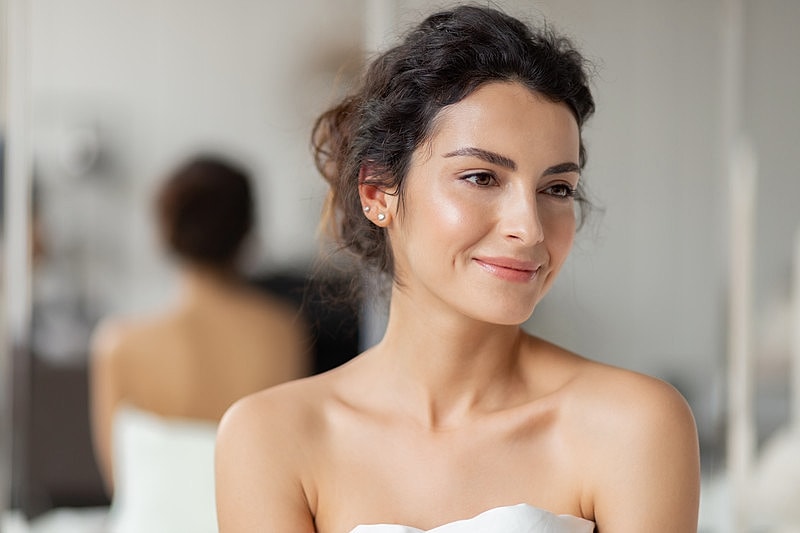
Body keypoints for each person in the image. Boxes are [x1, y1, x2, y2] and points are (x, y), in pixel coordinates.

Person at [215, 5, 701, 533]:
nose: (530, 229)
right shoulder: (271, 437)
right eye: (481, 177)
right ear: (379, 192)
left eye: (556, 188)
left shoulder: (634, 426)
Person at [89, 155, 310, 532]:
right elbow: (287, 460)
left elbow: (119, 481)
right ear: (246, 231)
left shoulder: (118, 344)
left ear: (165, 231)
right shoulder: (282, 333)